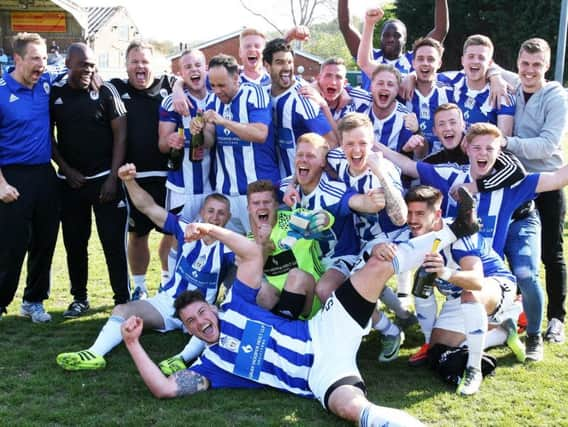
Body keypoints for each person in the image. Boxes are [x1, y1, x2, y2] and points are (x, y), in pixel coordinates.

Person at [118, 186, 480, 426]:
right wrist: (134, 344)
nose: (200, 322)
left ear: (212, 309)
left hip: (323, 329)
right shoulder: (213, 367)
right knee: (350, 408)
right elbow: (164, 389)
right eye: (191, 322)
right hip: (317, 376)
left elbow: (247, 254)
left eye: (201, 313)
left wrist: (211, 230)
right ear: (190, 329)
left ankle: (455, 229)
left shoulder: (236, 305)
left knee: (379, 263)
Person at [378, 122, 568, 361]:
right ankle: (482, 331)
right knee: (430, 309)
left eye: (490, 148)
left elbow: (559, 178)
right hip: (455, 269)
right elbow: (406, 164)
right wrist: (371, 144)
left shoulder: (512, 185)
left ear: (500, 151)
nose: (483, 154)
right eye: (477, 147)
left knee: (522, 278)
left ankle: (531, 336)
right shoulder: (451, 175)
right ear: (466, 147)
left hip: (488, 276)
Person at [55, 163, 234, 371]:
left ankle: (181, 359)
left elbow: (254, 260)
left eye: (221, 213)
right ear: (202, 212)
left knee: (215, 318)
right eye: (211, 211)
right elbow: (148, 207)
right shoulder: (185, 230)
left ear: (228, 218)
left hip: (199, 311)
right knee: (123, 309)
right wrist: (129, 181)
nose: (215, 217)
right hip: (168, 304)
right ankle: (94, 354)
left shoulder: (230, 248)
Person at [371, 185, 525, 395]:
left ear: (437, 215)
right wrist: (378, 247)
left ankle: (474, 368)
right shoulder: (413, 234)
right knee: (438, 349)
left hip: (494, 287)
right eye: (410, 213)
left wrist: (443, 271)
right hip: (458, 297)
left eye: (420, 214)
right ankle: (502, 331)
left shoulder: (458, 232)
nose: (413, 220)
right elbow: (386, 246)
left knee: (469, 294)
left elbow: (477, 281)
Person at [51, 43, 129, 313]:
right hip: (70, 183)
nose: (89, 70)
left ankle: (122, 299)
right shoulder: (56, 93)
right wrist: (66, 169)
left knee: (112, 242)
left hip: (104, 181)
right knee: (74, 242)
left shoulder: (106, 91)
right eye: (83, 64)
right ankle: (80, 297)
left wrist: (112, 178)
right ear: (69, 64)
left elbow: (121, 136)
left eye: (93, 65)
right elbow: (46, 136)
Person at [503, 38, 568, 346]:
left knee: (551, 253)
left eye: (537, 65)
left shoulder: (556, 96)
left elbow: (546, 146)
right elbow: (485, 65)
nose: (530, 71)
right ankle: (517, 311)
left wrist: (506, 143)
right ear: (518, 63)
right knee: (511, 249)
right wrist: (491, 77)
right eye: (525, 64)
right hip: (514, 183)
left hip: (548, 181)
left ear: (546, 66)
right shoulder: (511, 86)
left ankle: (556, 318)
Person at [0, 33, 61, 322]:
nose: (42, 64)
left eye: (45, 59)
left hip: (44, 174)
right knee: (11, 245)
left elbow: (79, 70)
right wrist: (0, 184)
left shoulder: (47, 83)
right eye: (35, 58)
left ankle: (33, 301)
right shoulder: (0, 90)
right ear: (18, 59)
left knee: (45, 240)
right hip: (10, 176)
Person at [110, 40, 174, 300]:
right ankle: (139, 286)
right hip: (134, 178)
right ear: (126, 65)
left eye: (145, 62)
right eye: (134, 61)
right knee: (138, 235)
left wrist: (179, 88)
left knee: (171, 232)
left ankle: (168, 282)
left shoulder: (168, 86)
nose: (140, 66)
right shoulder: (114, 88)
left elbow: (190, 81)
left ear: (154, 66)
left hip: (168, 176)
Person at [191, 53, 278, 234]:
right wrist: (199, 131)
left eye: (222, 85)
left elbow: (260, 133)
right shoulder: (212, 100)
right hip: (226, 193)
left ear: (236, 78)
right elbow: (209, 141)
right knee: (232, 257)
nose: (217, 90)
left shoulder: (255, 93)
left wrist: (223, 122)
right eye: (213, 85)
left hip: (257, 193)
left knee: (264, 252)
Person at [262, 38, 336, 177]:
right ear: (267, 65)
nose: (286, 67)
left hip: (301, 184)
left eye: (289, 62)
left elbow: (331, 142)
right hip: (277, 182)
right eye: (280, 62)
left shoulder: (303, 96)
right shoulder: (263, 93)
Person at [158, 49, 211, 224]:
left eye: (198, 65)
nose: (194, 70)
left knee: (214, 239)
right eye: (188, 67)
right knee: (179, 238)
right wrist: (171, 141)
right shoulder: (171, 102)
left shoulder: (218, 93)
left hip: (215, 185)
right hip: (182, 187)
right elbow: (162, 144)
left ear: (206, 68)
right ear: (180, 73)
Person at [350, 2, 448, 90]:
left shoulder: (414, 59)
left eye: (397, 35)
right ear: (381, 38)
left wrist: (413, 75)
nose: (391, 39)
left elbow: (440, 30)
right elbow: (363, 62)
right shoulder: (372, 56)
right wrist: (369, 23)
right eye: (386, 35)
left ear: (405, 40)